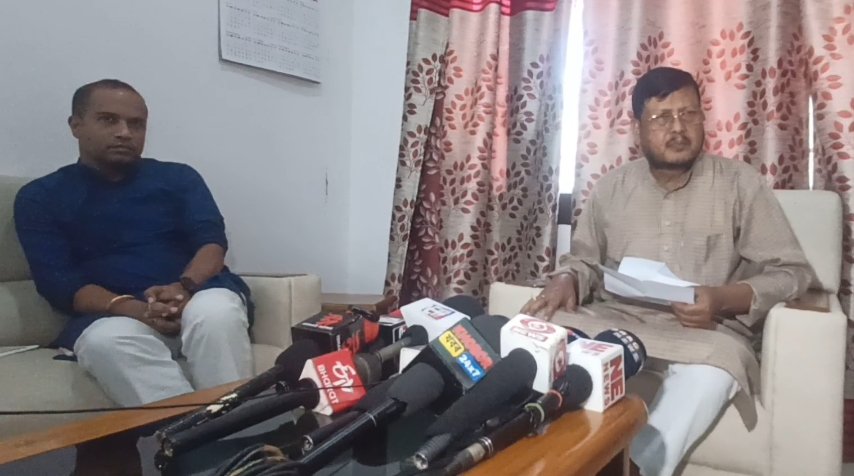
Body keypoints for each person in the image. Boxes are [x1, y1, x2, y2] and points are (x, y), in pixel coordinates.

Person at [521, 67, 814, 476]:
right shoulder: (611, 187)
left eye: (689, 114)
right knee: (534, 328)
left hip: (703, 333)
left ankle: (631, 468)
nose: (678, 128)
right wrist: (565, 279)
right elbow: (584, 260)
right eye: (662, 118)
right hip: (615, 319)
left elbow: (792, 272)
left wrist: (720, 299)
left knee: (715, 370)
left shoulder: (740, 184)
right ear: (637, 128)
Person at [14, 79, 254, 406]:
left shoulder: (178, 178)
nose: (125, 133)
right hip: (118, 316)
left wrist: (183, 288)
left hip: (197, 295)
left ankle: (240, 426)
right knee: (104, 342)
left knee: (215, 313)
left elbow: (211, 242)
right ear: (76, 125)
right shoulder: (40, 197)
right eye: (108, 120)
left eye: (136, 124)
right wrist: (137, 309)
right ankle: (193, 434)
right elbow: (59, 283)